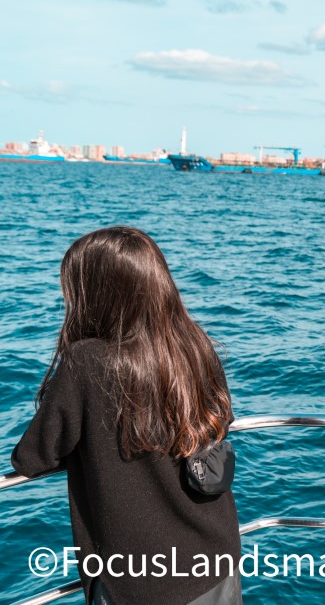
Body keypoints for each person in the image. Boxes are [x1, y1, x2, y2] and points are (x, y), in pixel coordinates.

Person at [11, 227, 242, 605]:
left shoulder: (85, 362)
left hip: (140, 582)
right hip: (216, 559)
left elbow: (32, 458)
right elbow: (220, 421)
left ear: (95, 295)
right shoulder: (194, 345)